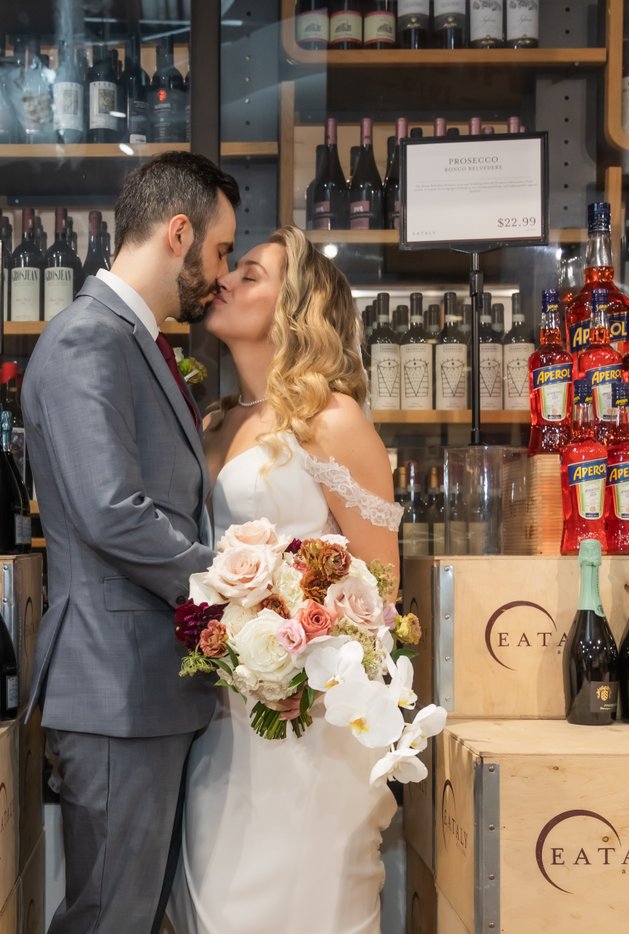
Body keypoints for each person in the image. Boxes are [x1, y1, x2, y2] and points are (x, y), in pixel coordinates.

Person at [22, 152, 240, 934]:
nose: (220, 277)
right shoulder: (91, 338)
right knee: (109, 918)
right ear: (177, 233)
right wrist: (235, 585)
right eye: (218, 253)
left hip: (142, 686)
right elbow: (112, 510)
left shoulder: (131, 340)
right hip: (115, 686)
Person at [167, 226, 404, 934]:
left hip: (307, 722)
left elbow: (378, 586)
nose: (226, 282)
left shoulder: (330, 419)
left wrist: (300, 628)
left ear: (295, 305)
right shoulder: (210, 423)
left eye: (250, 274)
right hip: (216, 717)